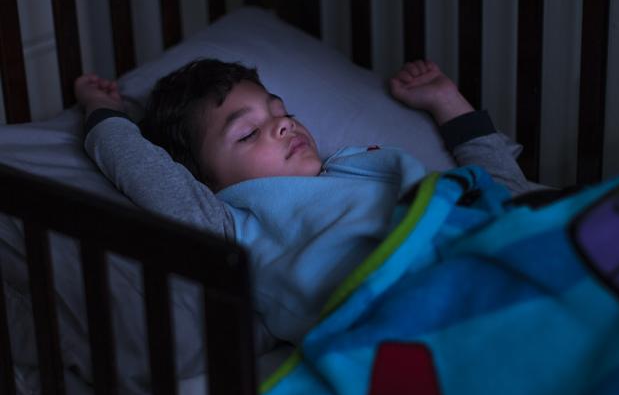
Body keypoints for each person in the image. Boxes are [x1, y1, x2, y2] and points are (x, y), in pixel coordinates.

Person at [75, 58, 535, 351]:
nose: (282, 126)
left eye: (281, 111)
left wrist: (447, 103)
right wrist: (102, 110)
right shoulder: (232, 221)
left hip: (486, 245)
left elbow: (499, 192)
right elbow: (139, 167)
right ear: (202, 180)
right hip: (415, 308)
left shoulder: (356, 165)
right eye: (248, 132)